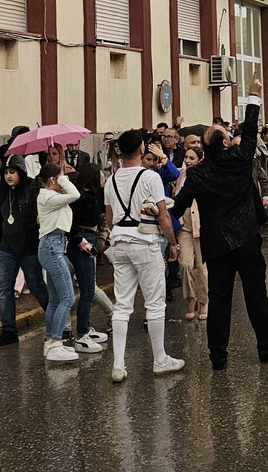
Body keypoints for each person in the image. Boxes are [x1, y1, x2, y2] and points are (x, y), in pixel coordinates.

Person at [173, 79, 268, 370]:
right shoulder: (238, 159)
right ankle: (266, 345)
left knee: (220, 298)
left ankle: (218, 356)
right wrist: (254, 95)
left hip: (216, 244)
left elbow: (179, 206)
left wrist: (157, 217)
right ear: (225, 143)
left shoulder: (197, 174)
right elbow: (249, 129)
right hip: (245, 239)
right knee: (255, 293)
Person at [103, 130, 185, 382]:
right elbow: (163, 214)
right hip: (146, 241)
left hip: (119, 240)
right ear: (140, 149)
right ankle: (159, 359)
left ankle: (118, 365)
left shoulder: (111, 180)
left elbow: (108, 219)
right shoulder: (150, 177)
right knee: (155, 302)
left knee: (122, 304)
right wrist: (172, 243)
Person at [0, 156, 49, 349]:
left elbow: (42, 212)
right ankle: (9, 331)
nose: (8, 176)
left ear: (21, 171)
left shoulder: (33, 187)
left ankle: (57, 323)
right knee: (5, 289)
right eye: (5, 172)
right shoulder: (4, 191)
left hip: (29, 247)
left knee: (36, 285)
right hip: (7, 247)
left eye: (12, 172)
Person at [34, 162, 85, 363]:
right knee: (67, 298)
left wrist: (60, 178)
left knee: (55, 300)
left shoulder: (49, 196)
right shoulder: (48, 196)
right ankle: (56, 342)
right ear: (53, 179)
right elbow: (75, 195)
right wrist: (63, 179)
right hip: (52, 247)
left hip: (53, 245)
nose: (65, 179)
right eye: (61, 176)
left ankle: (50, 341)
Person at [67, 161, 109, 348]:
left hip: (89, 237)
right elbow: (70, 224)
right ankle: (82, 332)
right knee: (87, 290)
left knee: (88, 289)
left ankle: (85, 327)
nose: (103, 178)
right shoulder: (84, 197)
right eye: (100, 174)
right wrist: (81, 242)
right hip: (84, 239)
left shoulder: (92, 195)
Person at [174, 145, 210, 321]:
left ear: (199, 160)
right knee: (186, 264)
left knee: (201, 267)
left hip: (202, 226)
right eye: (186, 157)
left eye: (192, 158)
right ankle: (191, 298)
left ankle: (204, 301)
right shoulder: (181, 175)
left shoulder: (206, 175)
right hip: (185, 226)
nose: (188, 161)